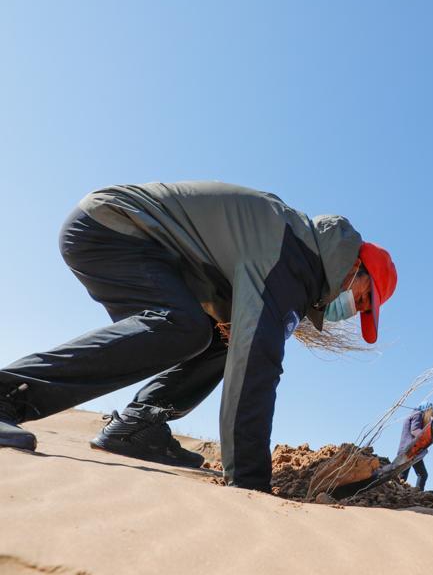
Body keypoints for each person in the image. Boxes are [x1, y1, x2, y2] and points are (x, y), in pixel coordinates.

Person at [0, 181, 397, 493]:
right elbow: (256, 365)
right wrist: (250, 482)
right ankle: (7, 394)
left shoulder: (300, 252)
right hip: (113, 226)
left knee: (215, 336)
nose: (353, 309)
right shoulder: (290, 254)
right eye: (362, 301)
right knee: (185, 327)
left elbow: (240, 343)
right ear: (354, 268)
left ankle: (140, 426)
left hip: (139, 243)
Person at [397, 401, 433, 491]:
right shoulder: (417, 414)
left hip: (409, 450)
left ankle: (401, 492)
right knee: (422, 474)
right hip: (410, 450)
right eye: (431, 412)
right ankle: (417, 493)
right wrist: (427, 436)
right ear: (427, 410)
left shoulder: (415, 414)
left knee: (403, 476)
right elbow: (414, 430)